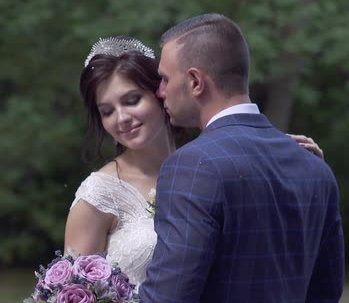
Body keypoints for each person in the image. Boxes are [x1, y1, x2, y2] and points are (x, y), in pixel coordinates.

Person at [64, 36, 326, 288]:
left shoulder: (212, 167)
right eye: (107, 111)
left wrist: (294, 161)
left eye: (132, 100)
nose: (121, 118)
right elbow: (67, 295)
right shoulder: (98, 196)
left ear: (160, 93)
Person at [139, 14, 344, 302]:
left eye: (164, 79)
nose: (160, 92)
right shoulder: (315, 168)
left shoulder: (192, 165)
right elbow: (327, 293)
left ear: (196, 81)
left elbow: (167, 298)